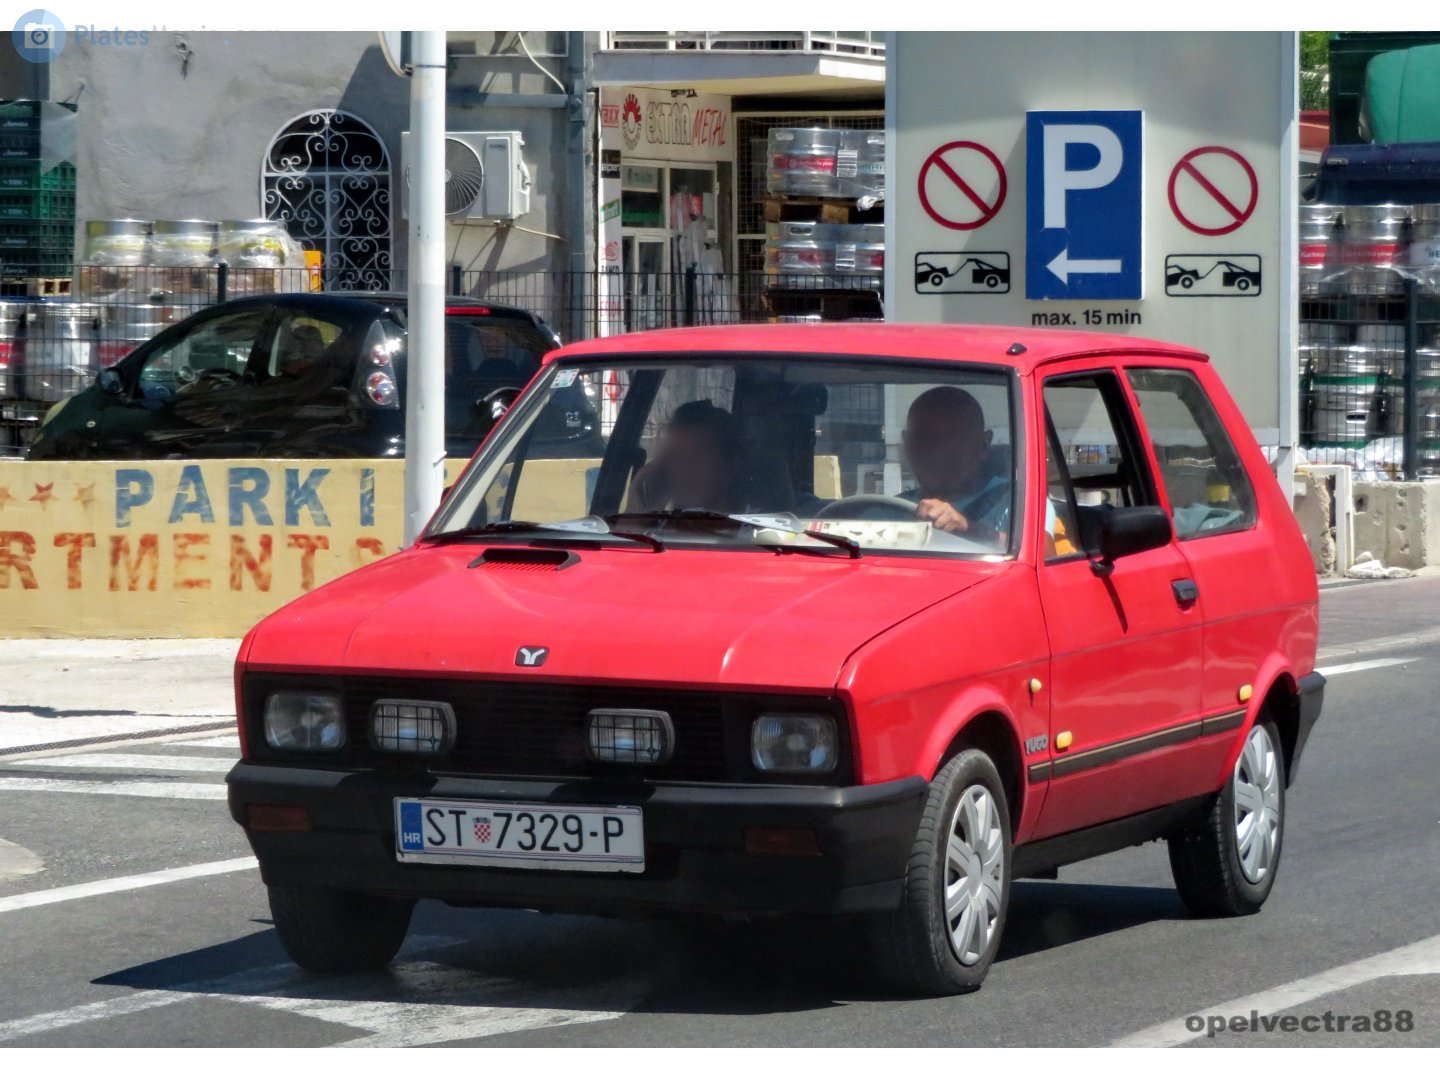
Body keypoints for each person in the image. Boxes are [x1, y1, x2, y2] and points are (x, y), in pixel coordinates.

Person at [901, 386, 1011, 544]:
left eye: (953, 436)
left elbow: (1043, 555)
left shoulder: (1014, 503)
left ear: (983, 445)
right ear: (907, 444)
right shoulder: (885, 510)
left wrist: (968, 529)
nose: (937, 449)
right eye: (923, 436)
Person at [626, 399, 739, 513]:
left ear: (727, 467)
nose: (683, 468)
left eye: (696, 456)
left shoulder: (749, 528)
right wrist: (636, 514)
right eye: (674, 455)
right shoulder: (657, 527)